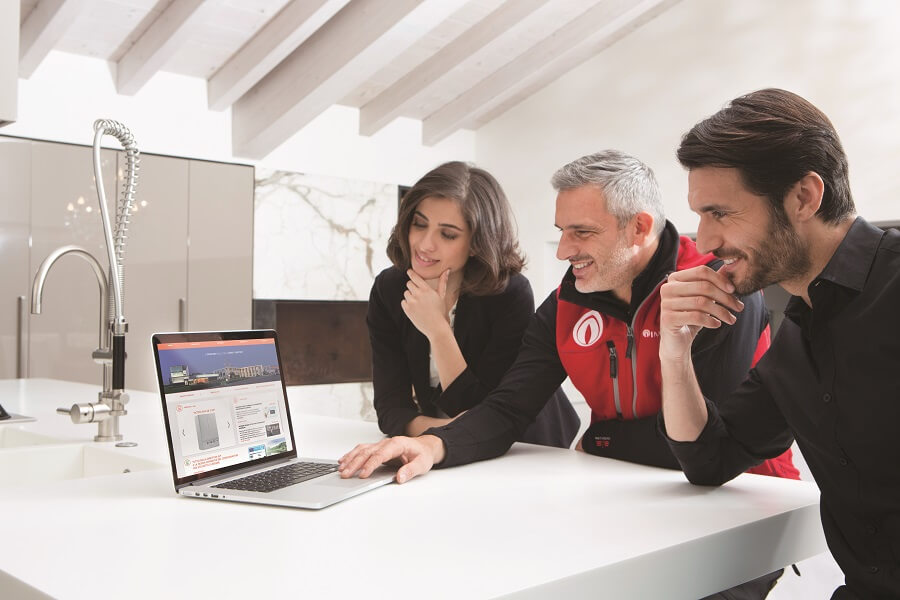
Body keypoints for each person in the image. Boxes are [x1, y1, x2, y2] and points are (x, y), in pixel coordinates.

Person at [344, 150, 798, 599]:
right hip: (626, 495)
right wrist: (430, 445)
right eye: (562, 232)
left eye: (581, 233)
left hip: (744, 505)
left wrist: (602, 440)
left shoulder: (713, 288)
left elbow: (703, 450)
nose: (563, 251)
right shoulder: (568, 300)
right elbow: (506, 408)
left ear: (639, 228)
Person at [657, 88, 900, 599]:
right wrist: (674, 348)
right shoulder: (797, 334)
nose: (702, 243)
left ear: (804, 198)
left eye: (720, 213)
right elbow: (710, 460)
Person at [368, 161, 579, 447]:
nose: (425, 244)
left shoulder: (510, 294)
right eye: (419, 224)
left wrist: (438, 330)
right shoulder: (389, 289)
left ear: (478, 242)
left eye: (448, 234)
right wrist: (448, 434)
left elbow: (488, 413)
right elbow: (391, 409)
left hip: (528, 447)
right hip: (447, 445)